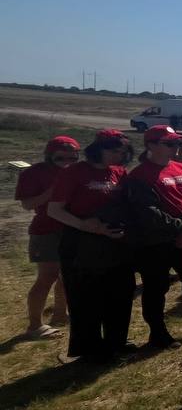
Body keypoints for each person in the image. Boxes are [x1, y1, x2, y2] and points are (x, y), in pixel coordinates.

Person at [45, 130, 134, 362]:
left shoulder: (119, 172)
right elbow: (54, 209)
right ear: (99, 149)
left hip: (114, 242)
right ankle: (90, 348)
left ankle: (116, 341)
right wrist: (84, 225)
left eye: (123, 152)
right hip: (81, 243)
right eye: (115, 151)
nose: (119, 156)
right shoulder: (74, 172)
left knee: (119, 293)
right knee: (86, 297)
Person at [128, 125, 182, 349]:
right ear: (151, 145)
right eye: (169, 143)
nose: (175, 147)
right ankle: (158, 334)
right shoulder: (139, 175)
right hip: (155, 241)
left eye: (177, 142)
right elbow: (148, 212)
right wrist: (181, 229)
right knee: (156, 287)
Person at [14, 136, 79, 338]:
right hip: (46, 231)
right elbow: (27, 204)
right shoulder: (33, 173)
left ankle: (60, 314)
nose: (67, 162)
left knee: (67, 274)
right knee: (47, 277)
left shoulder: (77, 172)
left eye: (72, 158)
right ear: (49, 155)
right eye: (61, 157)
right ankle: (35, 326)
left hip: (71, 229)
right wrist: (52, 192)